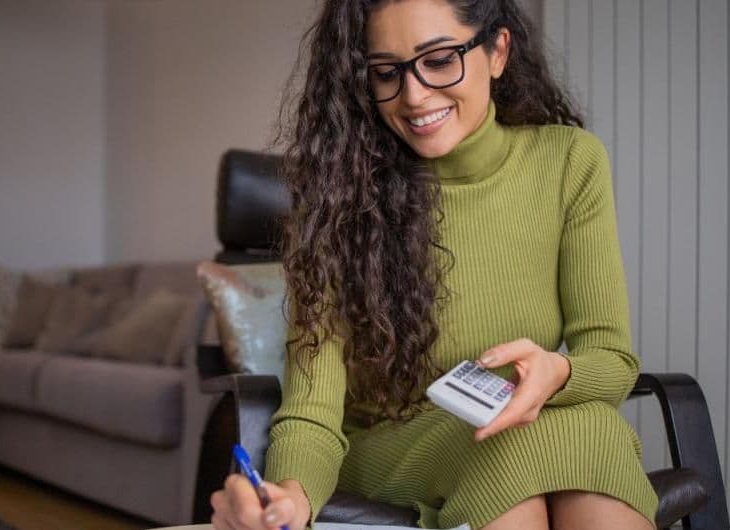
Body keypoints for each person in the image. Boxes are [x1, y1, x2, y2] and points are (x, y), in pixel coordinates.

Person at [209, 0, 658, 529]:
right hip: (397, 446)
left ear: (497, 51)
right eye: (386, 72)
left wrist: (558, 373)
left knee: (587, 433)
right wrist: (289, 496)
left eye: (440, 59)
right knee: (523, 452)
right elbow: (314, 410)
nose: (414, 95)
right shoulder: (340, 197)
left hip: (525, 427)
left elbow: (609, 359)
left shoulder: (570, 163)